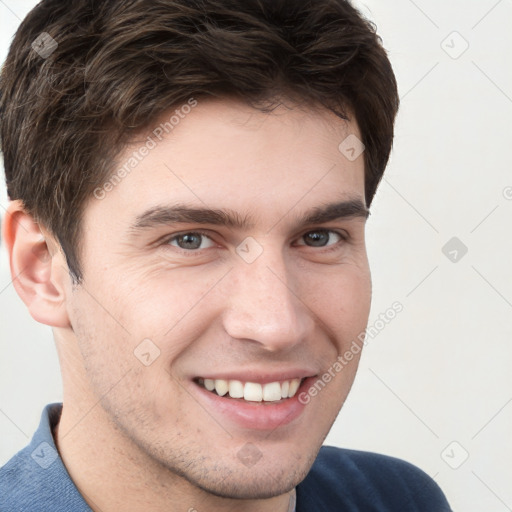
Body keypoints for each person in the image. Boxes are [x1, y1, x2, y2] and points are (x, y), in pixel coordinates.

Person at [0, 0, 452, 510]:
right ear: (41, 267)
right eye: (189, 240)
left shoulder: (398, 500)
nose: (276, 325)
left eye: (319, 236)